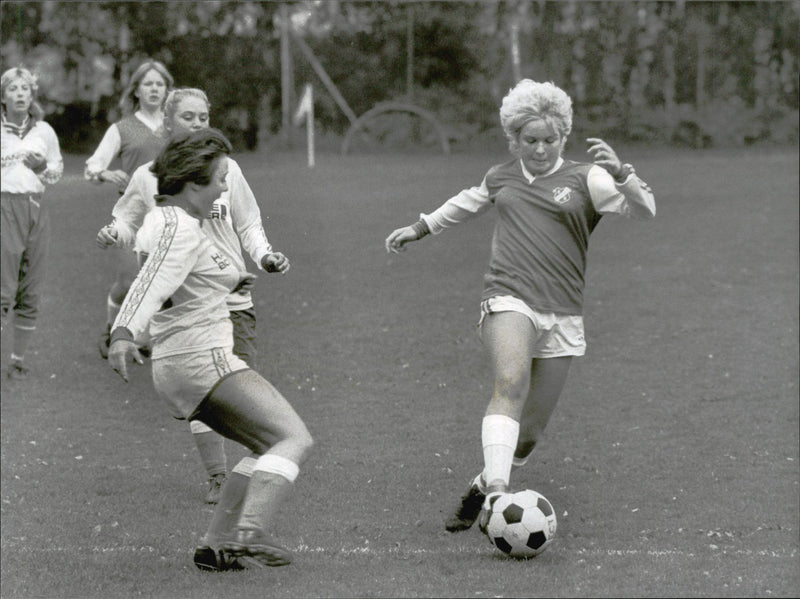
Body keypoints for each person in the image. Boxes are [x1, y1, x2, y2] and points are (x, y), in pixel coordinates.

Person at [385, 79, 656, 534]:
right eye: (530, 140)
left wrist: (623, 175)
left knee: (527, 436)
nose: (540, 149)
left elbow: (645, 210)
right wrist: (420, 227)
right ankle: (496, 493)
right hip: (507, 296)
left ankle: (478, 486)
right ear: (513, 139)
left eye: (550, 140)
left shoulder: (587, 178)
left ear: (564, 136)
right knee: (510, 381)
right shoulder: (501, 176)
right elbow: (465, 204)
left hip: (564, 312)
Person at [108, 128, 313, 571]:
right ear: (195, 182)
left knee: (263, 445)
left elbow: (174, 273)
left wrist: (228, 279)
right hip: (200, 358)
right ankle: (249, 530)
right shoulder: (177, 226)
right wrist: (123, 330)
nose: (225, 185)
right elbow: (151, 280)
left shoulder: (173, 223)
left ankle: (216, 545)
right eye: (220, 177)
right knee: (292, 437)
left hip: (184, 360)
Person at [96, 87, 289, 504]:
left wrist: (265, 256)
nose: (199, 123)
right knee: (212, 398)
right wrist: (115, 233)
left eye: (203, 116)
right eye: (188, 117)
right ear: (167, 123)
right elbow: (128, 221)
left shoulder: (230, 171)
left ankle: (235, 510)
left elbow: (248, 223)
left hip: (234, 300)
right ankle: (221, 480)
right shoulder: (149, 176)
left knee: (246, 402)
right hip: (185, 305)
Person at [85, 59, 173, 360]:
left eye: (159, 84)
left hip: (167, 213)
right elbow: (94, 166)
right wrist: (105, 173)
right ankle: (111, 331)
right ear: (136, 90)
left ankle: (147, 339)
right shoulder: (122, 128)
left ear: (167, 90)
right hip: (131, 215)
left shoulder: (176, 126)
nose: (154, 89)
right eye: (147, 83)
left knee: (163, 280)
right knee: (128, 280)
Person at [1, 66, 63, 380]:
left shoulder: (44, 131)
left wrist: (41, 168)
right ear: (3, 96)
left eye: (25, 88)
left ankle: (17, 360)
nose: (20, 94)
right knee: (2, 289)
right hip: (3, 207)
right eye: (13, 88)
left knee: (31, 288)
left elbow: (55, 172)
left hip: (36, 209)